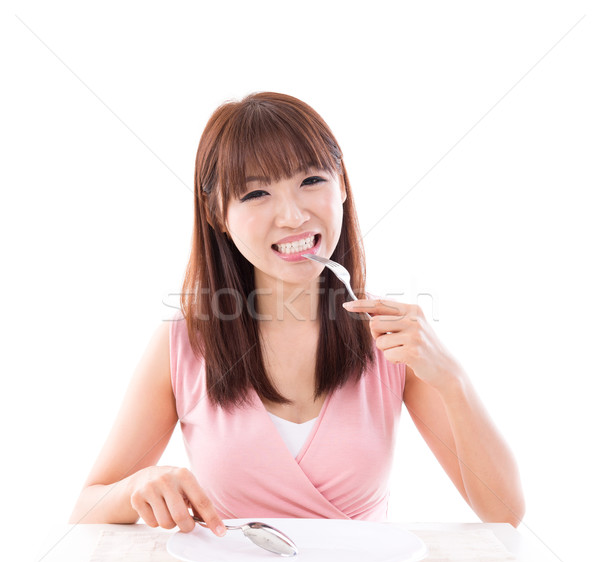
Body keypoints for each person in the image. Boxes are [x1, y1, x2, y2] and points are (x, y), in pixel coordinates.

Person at [69, 91, 525, 538]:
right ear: (217, 214)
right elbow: (85, 508)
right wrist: (138, 486)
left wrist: (452, 378)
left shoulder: (393, 339)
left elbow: (504, 513)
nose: (292, 216)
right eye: (256, 194)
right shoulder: (184, 344)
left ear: (342, 185)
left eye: (310, 181)